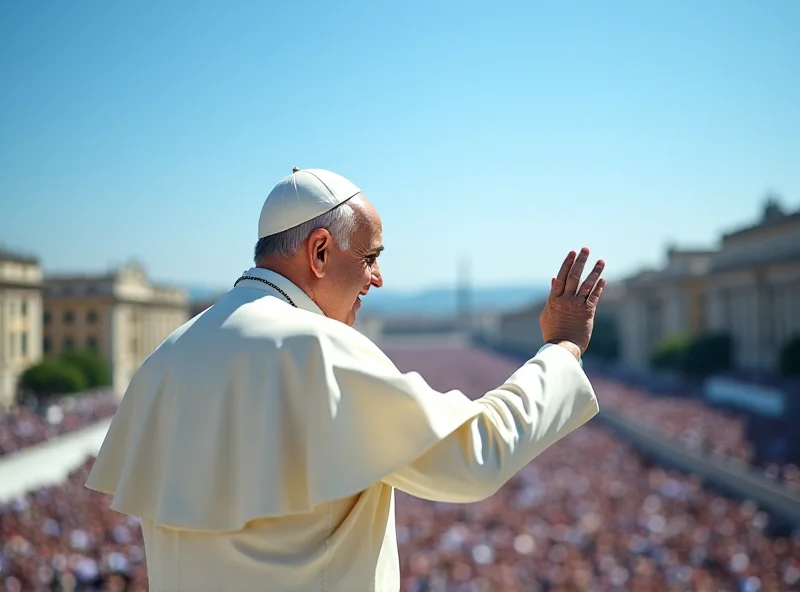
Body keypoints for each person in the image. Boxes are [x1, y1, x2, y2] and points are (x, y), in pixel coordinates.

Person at [85, 168, 607, 592]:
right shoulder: (316, 348)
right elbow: (473, 456)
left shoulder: (166, 356)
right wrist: (560, 351)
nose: (377, 279)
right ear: (318, 252)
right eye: (371, 257)